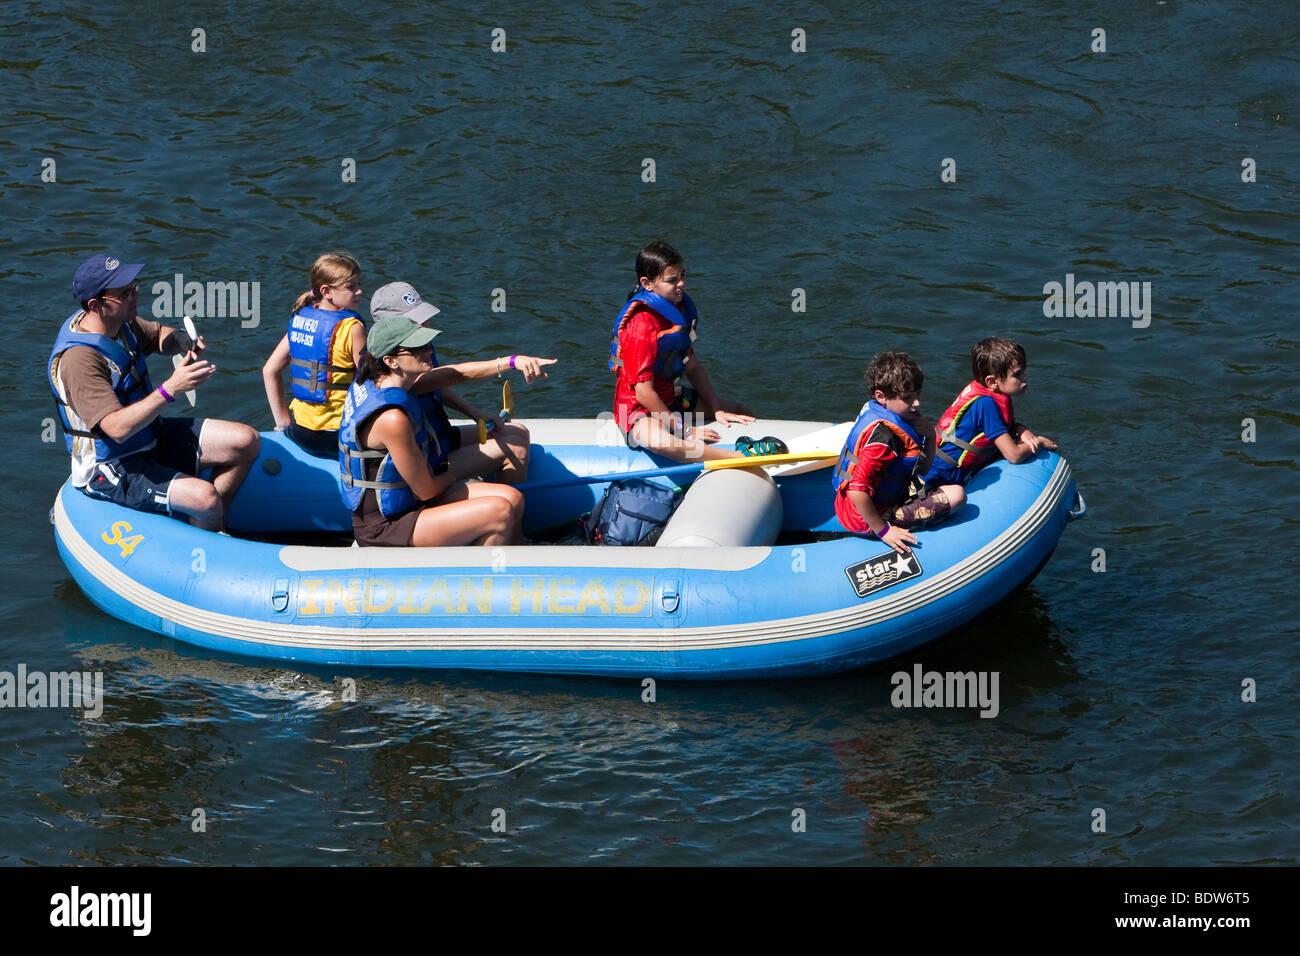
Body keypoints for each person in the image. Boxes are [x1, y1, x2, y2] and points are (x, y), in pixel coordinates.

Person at [48, 253, 260, 531]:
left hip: (150, 436)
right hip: (112, 465)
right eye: (125, 293)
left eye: (135, 286)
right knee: (205, 498)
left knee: (246, 441)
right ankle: (206, 521)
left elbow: (158, 334)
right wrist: (171, 387)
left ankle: (206, 523)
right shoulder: (79, 361)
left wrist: (183, 341)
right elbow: (116, 428)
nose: (135, 295)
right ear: (95, 305)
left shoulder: (121, 324)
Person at [338, 316, 547, 547]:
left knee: (513, 498)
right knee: (500, 511)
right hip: (388, 524)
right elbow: (426, 490)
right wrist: (457, 476)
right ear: (390, 360)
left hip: (413, 499)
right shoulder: (392, 418)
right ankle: (481, 579)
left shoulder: (384, 380)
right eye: (417, 348)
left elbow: (455, 374)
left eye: (426, 344)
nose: (428, 350)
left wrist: (511, 361)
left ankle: (519, 558)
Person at [368, 281, 553, 485]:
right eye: (416, 321)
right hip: (428, 459)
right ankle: (503, 505)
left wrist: (476, 414)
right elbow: (453, 375)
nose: (426, 323)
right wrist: (511, 361)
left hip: (439, 437)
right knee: (514, 447)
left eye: (423, 317)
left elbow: (435, 388)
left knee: (518, 432)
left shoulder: (418, 347)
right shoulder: (394, 366)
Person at [609, 240, 774, 463]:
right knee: (661, 442)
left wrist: (716, 409)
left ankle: (748, 443)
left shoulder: (679, 311)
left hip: (671, 397)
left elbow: (692, 366)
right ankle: (736, 458)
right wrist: (685, 430)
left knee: (739, 410)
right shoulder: (641, 325)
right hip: (636, 409)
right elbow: (644, 393)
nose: (681, 284)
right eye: (672, 280)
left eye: (682, 276)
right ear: (647, 283)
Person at [832, 352, 966, 555]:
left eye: (917, 394)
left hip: (855, 505)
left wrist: (929, 436)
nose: (917, 403)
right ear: (881, 396)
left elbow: (921, 469)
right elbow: (857, 491)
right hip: (865, 516)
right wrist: (884, 531)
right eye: (907, 398)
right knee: (958, 495)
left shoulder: (878, 411)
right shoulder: (884, 440)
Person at [261, 252, 366, 458]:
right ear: (326, 291)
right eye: (350, 287)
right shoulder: (352, 327)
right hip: (338, 436)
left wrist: (283, 423)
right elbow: (370, 380)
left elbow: (269, 370)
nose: (359, 291)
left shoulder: (301, 319)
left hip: (300, 432)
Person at [921, 336, 1058, 489]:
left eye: (1024, 371)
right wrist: (1039, 443)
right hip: (936, 478)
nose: (1025, 377)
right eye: (1017, 375)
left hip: (937, 466)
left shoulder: (987, 394)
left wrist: (1020, 429)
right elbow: (1014, 456)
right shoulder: (986, 404)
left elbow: (998, 426)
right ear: (992, 381)